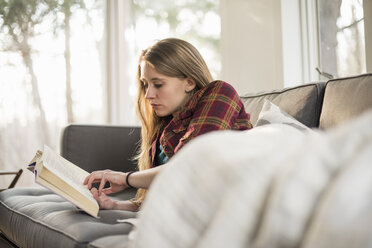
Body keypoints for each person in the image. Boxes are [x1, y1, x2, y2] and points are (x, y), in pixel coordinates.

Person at [83, 38, 253, 212]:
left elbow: (190, 165)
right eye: (145, 84)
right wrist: (116, 205)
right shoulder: (163, 128)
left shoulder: (221, 93)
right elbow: (162, 199)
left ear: (189, 82)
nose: (148, 94)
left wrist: (126, 179)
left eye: (158, 84)